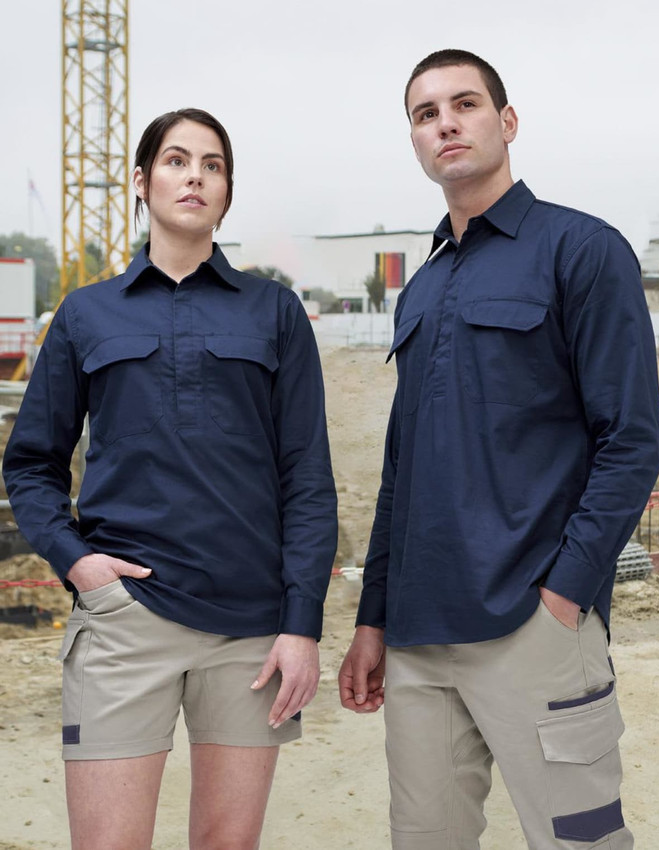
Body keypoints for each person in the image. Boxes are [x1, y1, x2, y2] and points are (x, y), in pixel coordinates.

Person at [338, 49, 659, 849]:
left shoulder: (581, 251)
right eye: (425, 113)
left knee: (579, 841)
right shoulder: (421, 286)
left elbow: (631, 438)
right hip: (418, 638)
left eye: (465, 103)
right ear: (415, 141)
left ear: (507, 122)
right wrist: (373, 619)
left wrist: (565, 596)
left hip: (532, 625)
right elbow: (400, 471)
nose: (445, 122)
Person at [3, 108, 337, 850]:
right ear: (141, 180)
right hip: (124, 623)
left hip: (250, 630)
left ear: (226, 191)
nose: (195, 176)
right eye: (178, 160)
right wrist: (80, 565)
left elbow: (307, 478)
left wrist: (301, 624)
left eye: (212, 165)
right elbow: (30, 463)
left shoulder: (274, 312)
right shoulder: (86, 314)